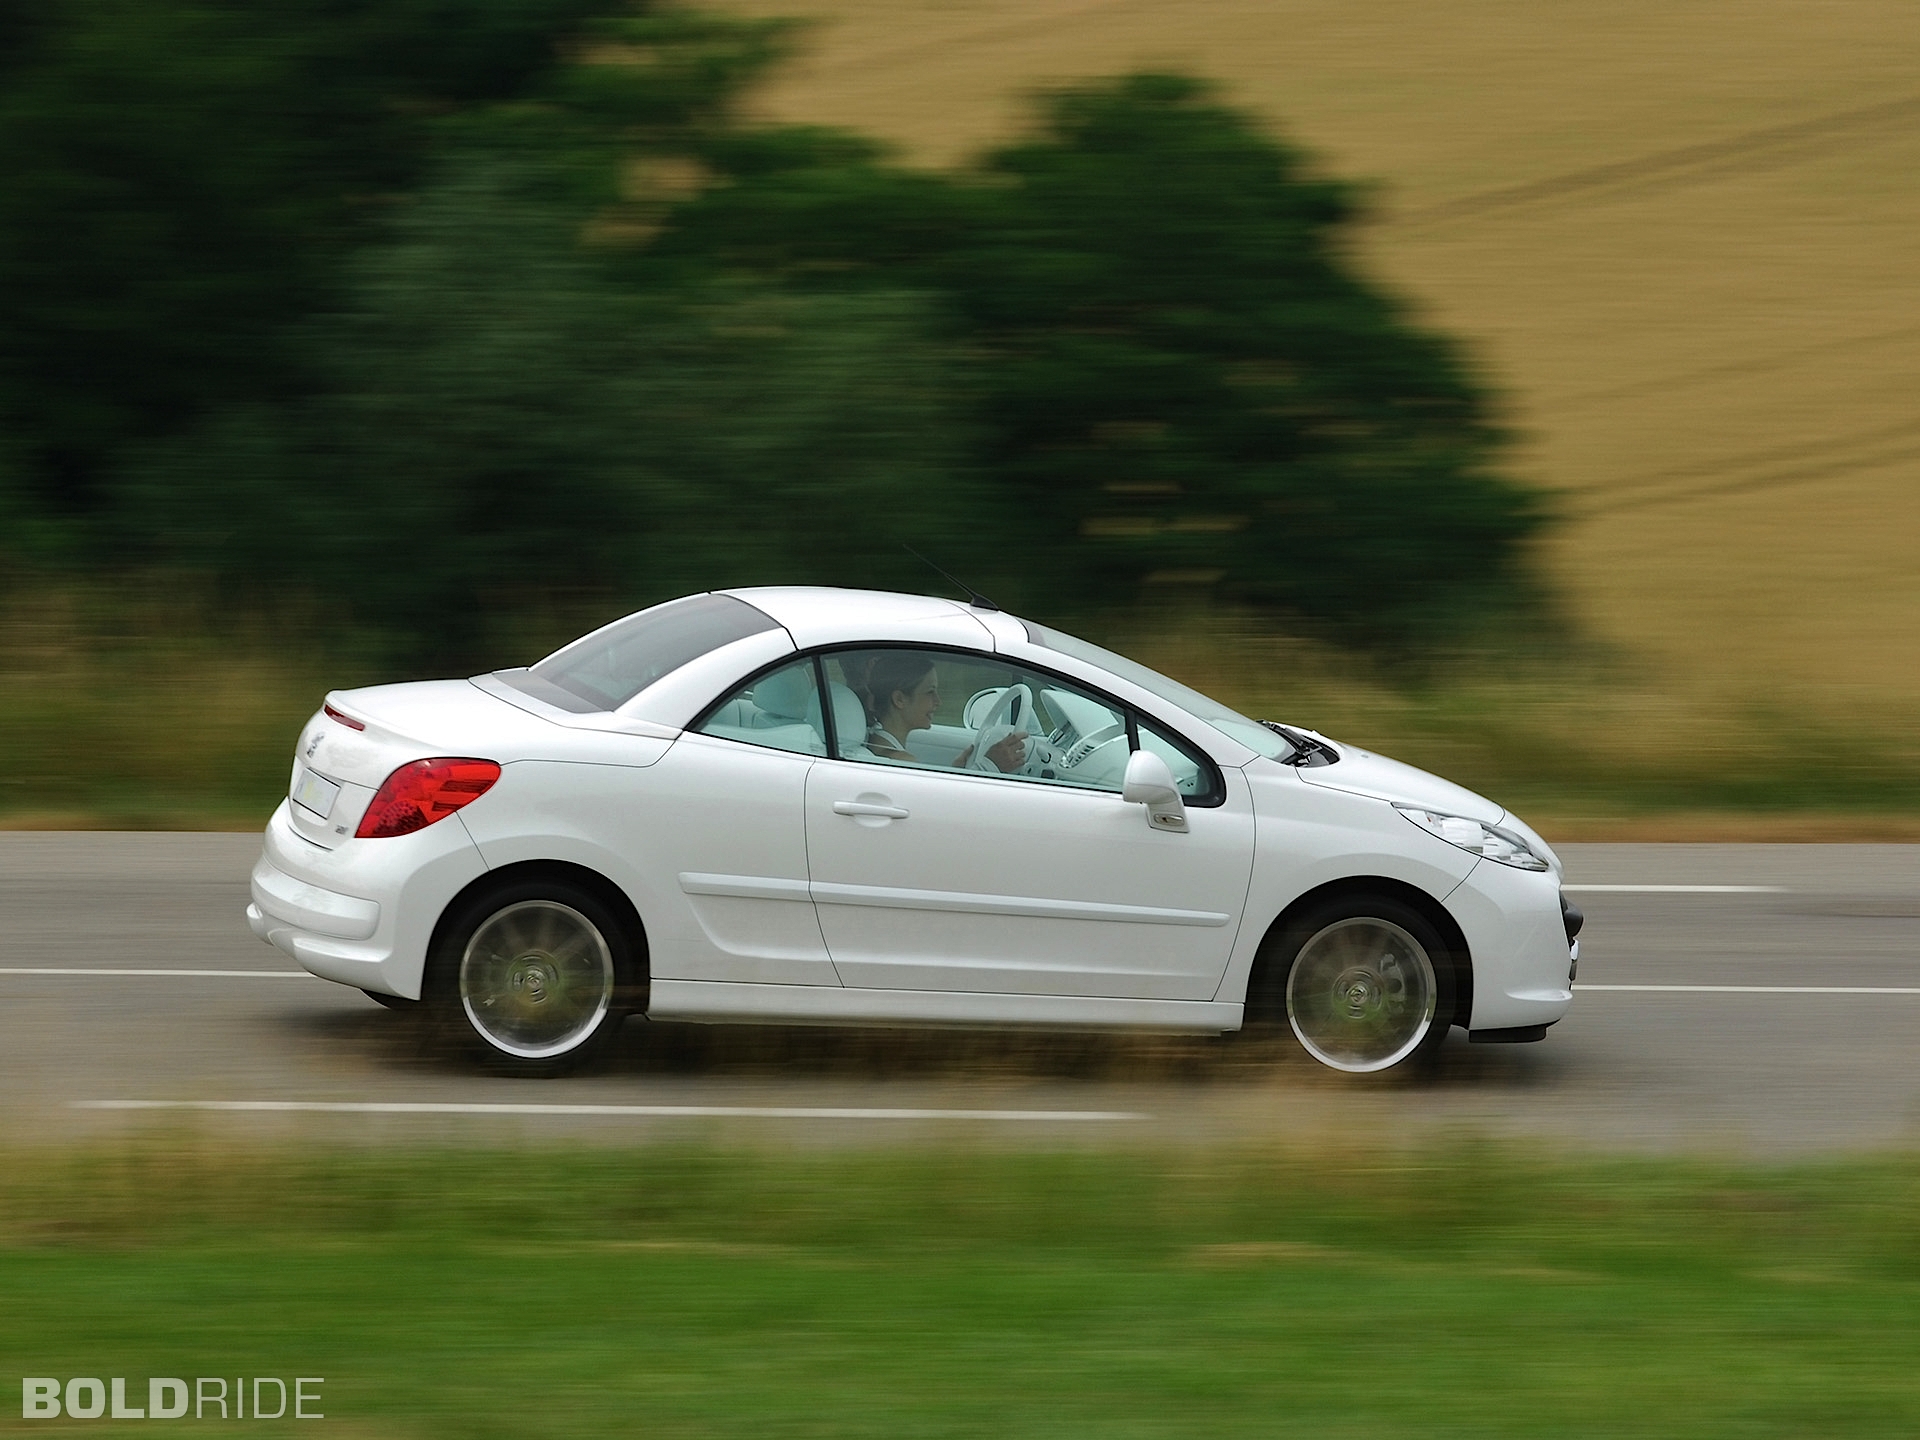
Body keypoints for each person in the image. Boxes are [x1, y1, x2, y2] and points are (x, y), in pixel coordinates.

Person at [856, 652, 1027, 772]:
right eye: (930, 692)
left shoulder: (875, 745)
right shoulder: (900, 762)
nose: (938, 701)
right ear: (899, 699)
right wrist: (989, 766)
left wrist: (957, 771)